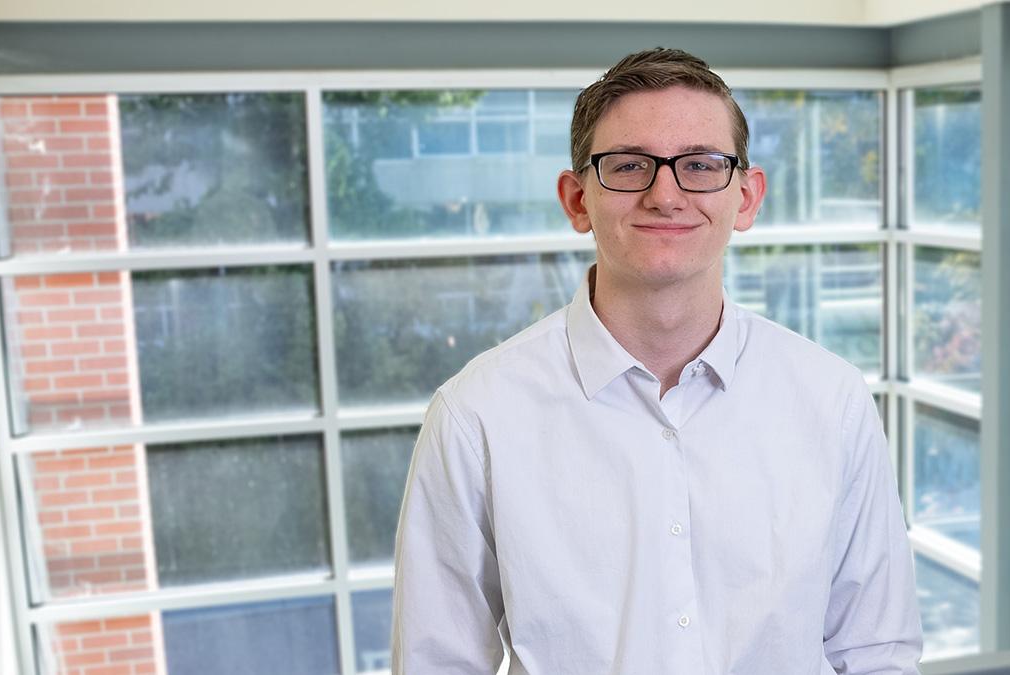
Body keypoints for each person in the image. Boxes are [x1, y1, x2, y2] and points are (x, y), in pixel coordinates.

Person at [391, 47, 922, 674]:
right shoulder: (475, 417)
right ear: (577, 200)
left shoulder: (832, 400)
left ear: (746, 198)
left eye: (700, 165)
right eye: (629, 166)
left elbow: (874, 653)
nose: (665, 195)